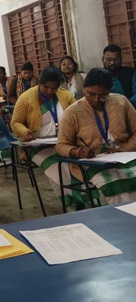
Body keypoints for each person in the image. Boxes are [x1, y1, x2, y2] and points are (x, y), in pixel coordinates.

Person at [11, 66, 90, 208]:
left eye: (53, 88)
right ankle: (80, 199)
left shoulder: (65, 96)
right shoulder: (26, 98)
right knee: (55, 165)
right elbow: (15, 122)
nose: (49, 91)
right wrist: (25, 132)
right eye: (45, 87)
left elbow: (77, 116)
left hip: (64, 142)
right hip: (37, 145)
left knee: (74, 163)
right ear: (39, 83)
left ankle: (73, 202)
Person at [57, 68, 136, 204]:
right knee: (116, 187)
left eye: (103, 95)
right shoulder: (72, 112)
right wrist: (78, 151)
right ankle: (125, 214)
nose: (96, 99)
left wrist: (124, 148)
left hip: (125, 156)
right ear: (84, 88)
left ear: (109, 91)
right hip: (93, 162)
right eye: (91, 94)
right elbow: (61, 145)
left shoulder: (121, 102)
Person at [102, 44, 136, 108]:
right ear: (103, 59)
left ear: (121, 58)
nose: (112, 63)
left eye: (116, 59)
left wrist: (125, 105)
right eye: (108, 60)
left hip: (131, 108)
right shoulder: (98, 76)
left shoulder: (131, 73)